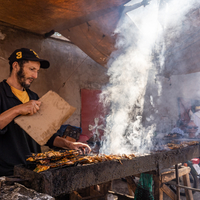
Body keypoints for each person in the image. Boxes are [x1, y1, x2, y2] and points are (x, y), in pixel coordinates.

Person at [0, 48, 91, 176]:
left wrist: (69, 144)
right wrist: (18, 109)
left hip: (34, 171)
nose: (35, 76)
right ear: (15, 66)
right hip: (8, 174)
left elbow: (46, 136)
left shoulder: (34, 97)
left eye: (37, 71)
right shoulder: (1, 93)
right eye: (32, 69)